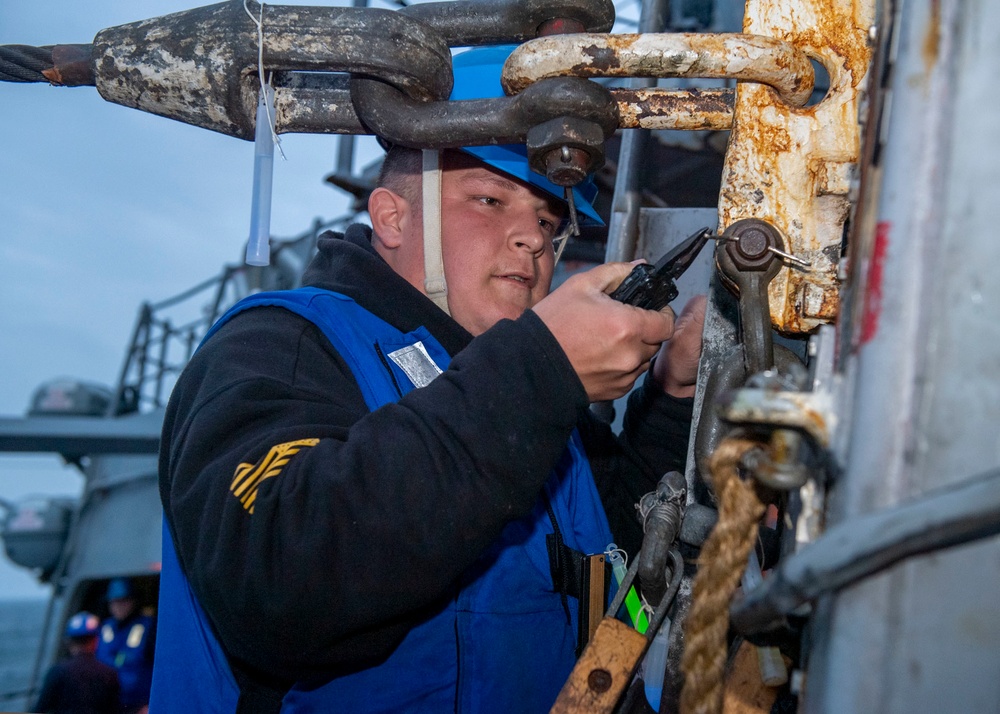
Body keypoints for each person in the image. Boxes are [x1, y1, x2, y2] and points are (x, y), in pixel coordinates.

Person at [150, 45, 705, 713]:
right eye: (491, 199)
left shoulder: (525, 393)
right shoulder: (281, 345)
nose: (531, 239)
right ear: (392, 216)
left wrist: (671, 395)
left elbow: (620, 548)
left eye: (547, 223)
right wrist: (539, 373)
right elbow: (281, 576)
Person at [34, 611, 120, 714]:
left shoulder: (57, 672)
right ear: (96, 640)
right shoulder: (109, 674)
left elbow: (40, 709)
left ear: (68, 641)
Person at [96, 578, 154, 714]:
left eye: (123, 601)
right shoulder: (104, 628)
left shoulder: (149, 627)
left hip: (140, 705)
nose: (119, 606)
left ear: (133, 601)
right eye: (114, 602)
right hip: (108, 704)